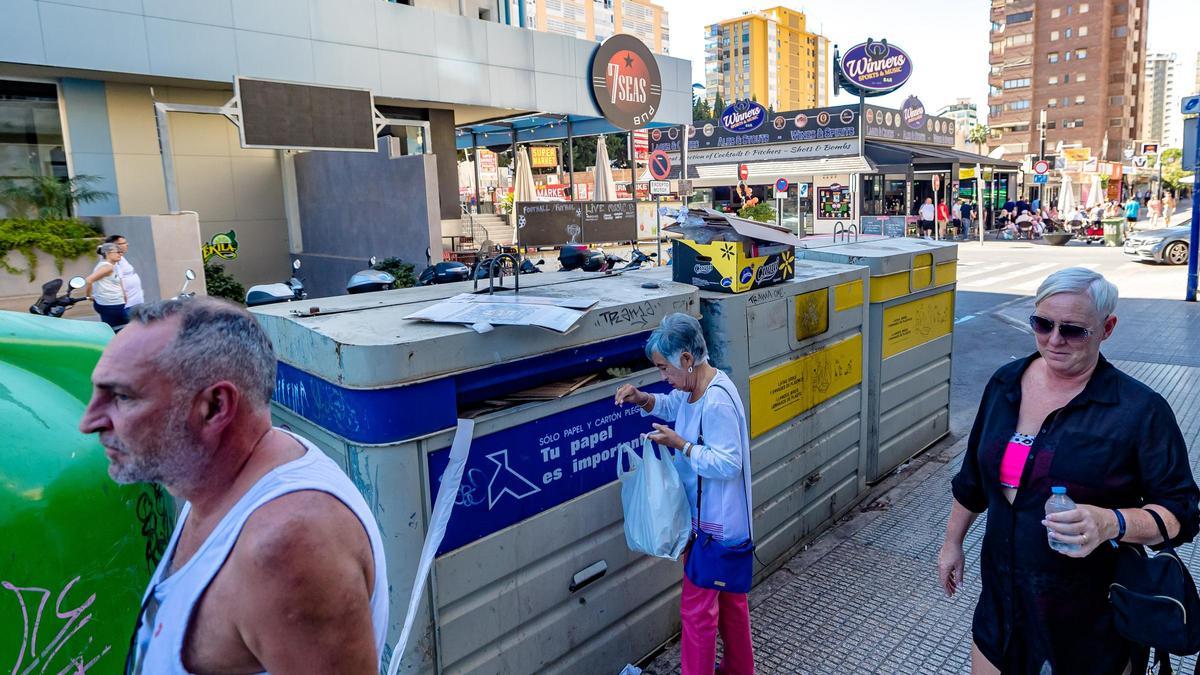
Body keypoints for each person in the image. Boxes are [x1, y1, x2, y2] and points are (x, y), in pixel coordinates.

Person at [78, 297, 389, 673]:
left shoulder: (288, 546)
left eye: (123, 397)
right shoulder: (213, 477)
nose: (90, 421)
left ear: (214, 407)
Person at [938, 267, 1199, 674]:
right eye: (1042, 324)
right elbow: (973, 478)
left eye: (1074, 330)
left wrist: (1110, 522)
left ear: (1107, 328)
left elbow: (1183, 513)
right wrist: (952, 543)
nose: (1054, 340)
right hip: (1003, 609)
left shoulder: (1138, 411)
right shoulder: (1006, 383)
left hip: (1091, 625)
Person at [614, 313, 754, 675]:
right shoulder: (701, 388)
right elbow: (673, 405)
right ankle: (740, 669)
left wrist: (682, 445)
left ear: (687, 359)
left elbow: (729, 464)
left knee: (697, 614)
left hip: (715, 529)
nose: (664, 378)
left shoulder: (716, 402)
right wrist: (642, 398)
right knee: (731, 605)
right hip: (723, 525)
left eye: (665, 369)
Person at [84, 242, 127, 329]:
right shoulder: (107, 267)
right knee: (118, 331)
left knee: (117, 329)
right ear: (108, 253)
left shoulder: (108, 265)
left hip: (110, 304)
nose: (120, 254)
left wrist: (124, 295)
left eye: (121, 252)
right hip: (111, 306)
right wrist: (88, 296)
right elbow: (89, 280)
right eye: (117, 252)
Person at [106, 234, 144, 310]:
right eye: (123, 243)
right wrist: (123, 295)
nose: (127, 244)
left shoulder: (120, 256)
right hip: (128, 303)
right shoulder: (113, 259)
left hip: (136, 300)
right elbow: (117, 278)